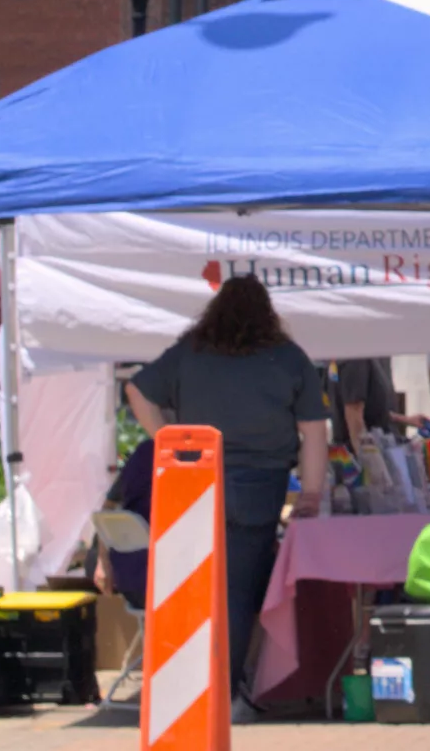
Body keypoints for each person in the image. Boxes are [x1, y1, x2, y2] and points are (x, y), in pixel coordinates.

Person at [124, 273, 328, 703]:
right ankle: (226, 696)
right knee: (237, 593)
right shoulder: (290, 359)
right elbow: (314, 432)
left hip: (197, 481)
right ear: (268, 314)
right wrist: (310, 495)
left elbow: (137, 390)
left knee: (192, 589)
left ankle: (186, 693)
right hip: (260, 487)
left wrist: (170, 441)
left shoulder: (189, 354)